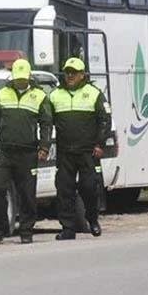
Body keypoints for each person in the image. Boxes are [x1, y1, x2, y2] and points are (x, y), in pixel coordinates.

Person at [0, 58, 52, 244]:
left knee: (27, 194)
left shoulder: (40, 96)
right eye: (17, 78)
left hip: (28, 153)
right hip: (5, 153)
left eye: (23, 78)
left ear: (29, 76)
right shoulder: (2, 94)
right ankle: (0, 228)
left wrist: (45, 147)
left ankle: (26, 230)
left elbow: (46, 124)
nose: (20, 81)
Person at [49, 57, 111, 241]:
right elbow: (46, 121)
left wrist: (100, 143)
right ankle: (68, 228)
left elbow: (105, 120)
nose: (70, 75)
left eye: (74, 72)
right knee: (64, 191)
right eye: (67, 72)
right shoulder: (54, 95)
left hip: (88, 152)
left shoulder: (94, 93)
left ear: (82, 75)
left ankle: (92, 219)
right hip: (65, 152)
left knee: (89, 187)